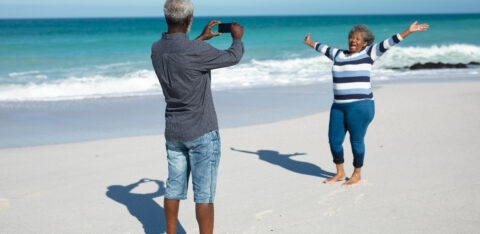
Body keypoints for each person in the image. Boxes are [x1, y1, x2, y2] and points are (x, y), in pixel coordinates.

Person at [150, 0, 244, 233]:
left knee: (173, 188)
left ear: (167, 18)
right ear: (189, 20)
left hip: (174, 132)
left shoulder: (156, 48)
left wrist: (201, 38)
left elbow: (181, 55)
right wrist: (237, 37)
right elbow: (233, 57)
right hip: (202, 131)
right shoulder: (195, 51)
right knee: (204, 195)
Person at [303, 21, 429, 185]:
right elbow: (323, 48)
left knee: (356, 140)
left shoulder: (369, 53)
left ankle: (357, 174)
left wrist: (408, 31)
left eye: (357, 39)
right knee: (334, 141)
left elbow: (389, 43)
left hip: (360, 106)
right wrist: (310, 42)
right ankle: (340, 172)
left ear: (365, 43)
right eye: (351, 37)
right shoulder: (338, 54)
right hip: (338, 107)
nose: (353, 41)